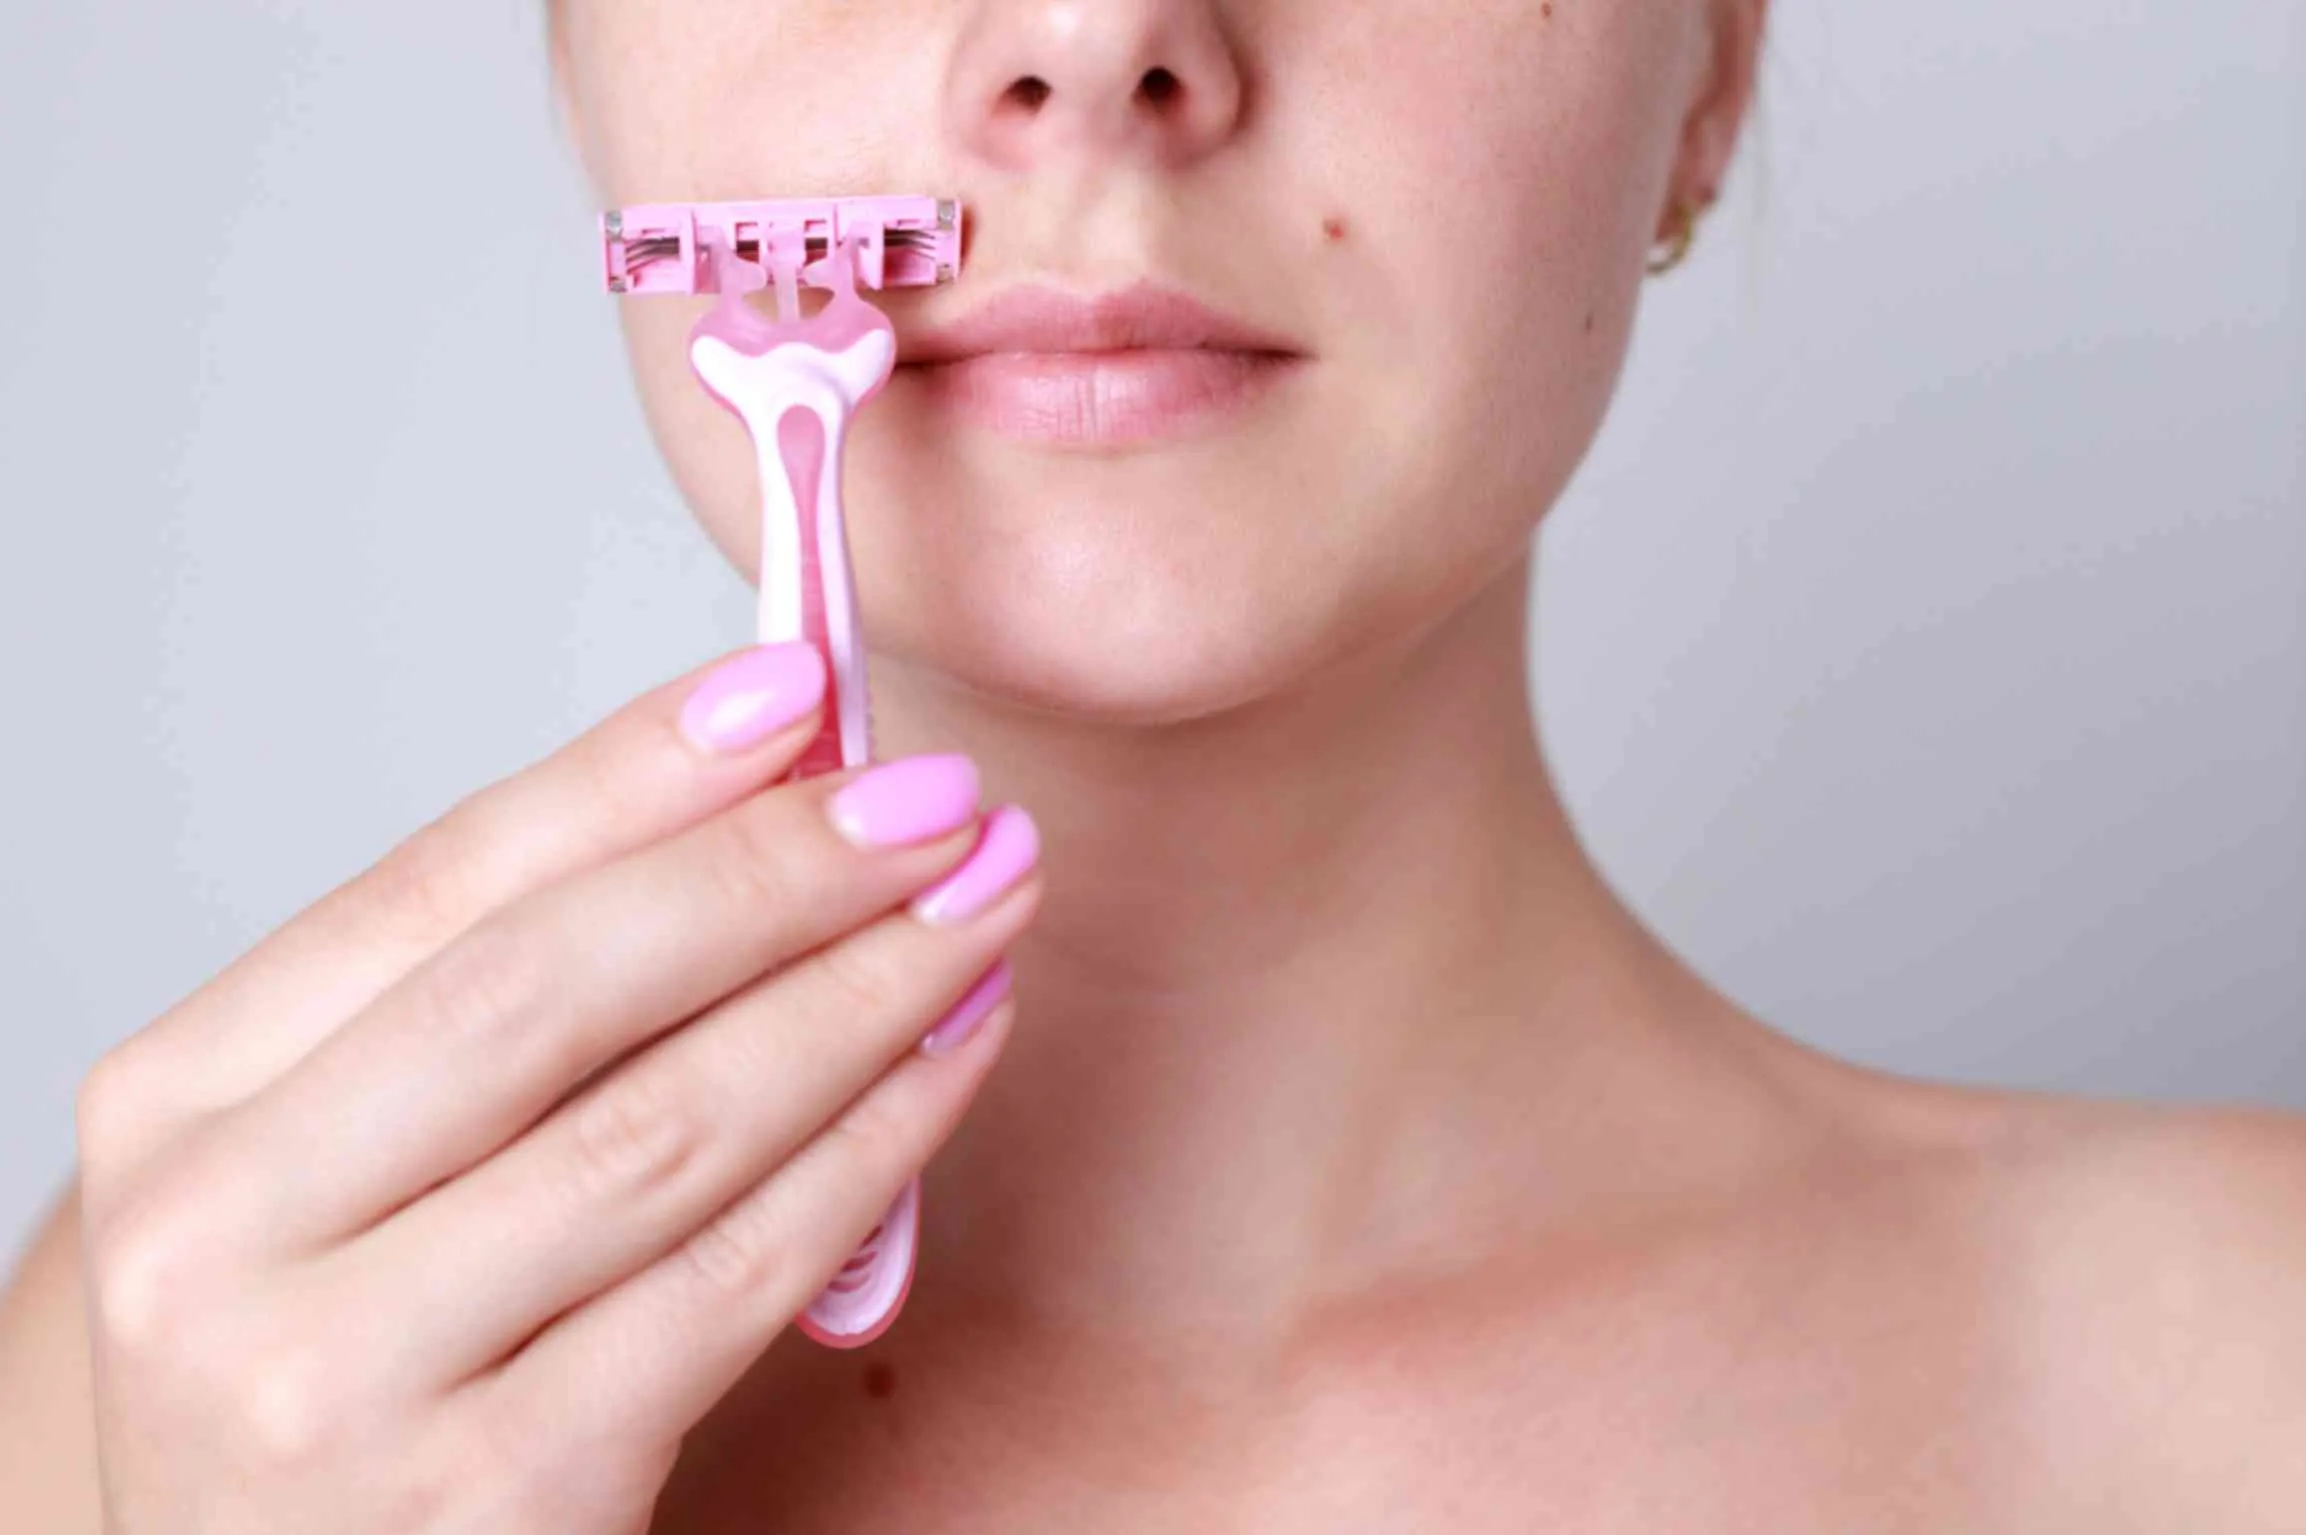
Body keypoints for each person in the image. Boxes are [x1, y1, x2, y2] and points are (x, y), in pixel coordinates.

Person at [6, 1, 2304, 1528]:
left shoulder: (2234, 1384)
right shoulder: (223, 1363)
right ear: (578, 62)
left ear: (1702, 64)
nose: (1099, 33)